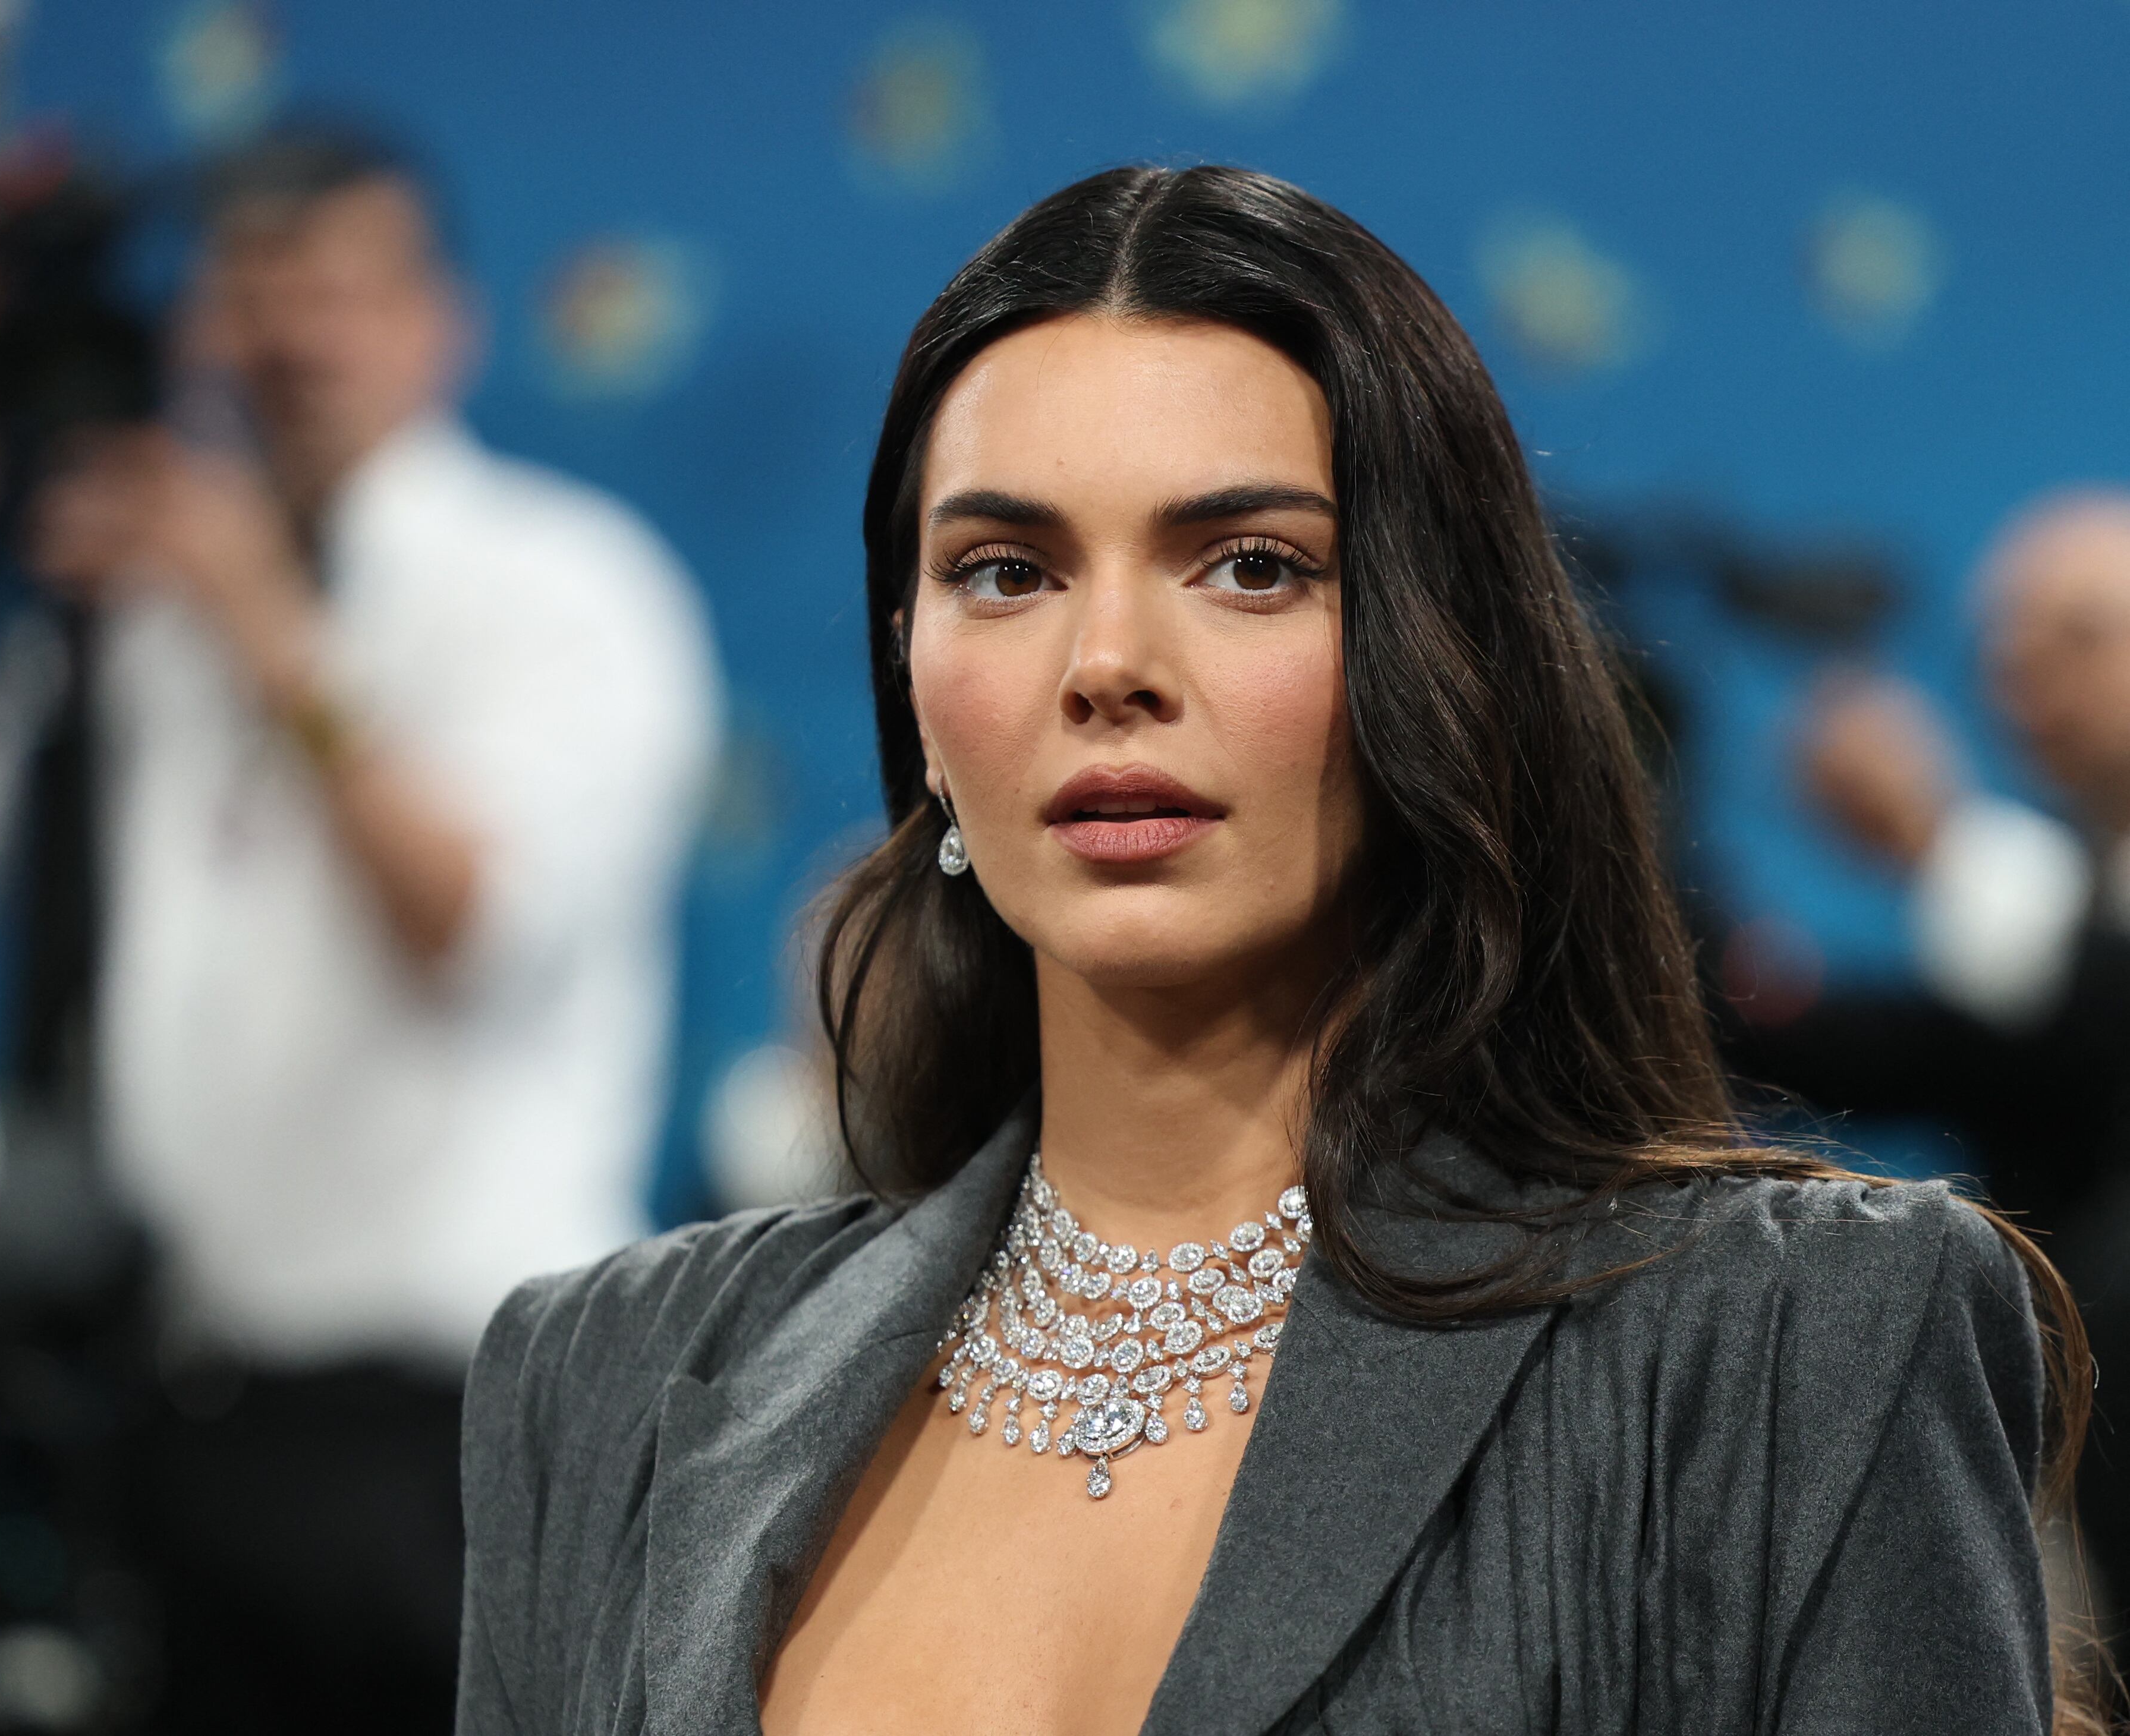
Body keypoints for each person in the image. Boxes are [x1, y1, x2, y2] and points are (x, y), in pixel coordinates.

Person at [454, 166, 2093, 1735]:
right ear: (913, 677)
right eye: (1003, 571)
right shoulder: (602, 1383)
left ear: (1431, 656)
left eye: (1250, 566)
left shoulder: (1798, 1347)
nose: (1106, 664)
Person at [0, 125, 720, 1731]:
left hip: (465, 1430)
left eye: (334, 291)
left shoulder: (561, 585)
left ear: (439, 326)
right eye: (249, 293)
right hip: (173, 1425)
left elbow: (464, 924)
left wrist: (265, 627)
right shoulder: (130, 619)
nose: (288, 341)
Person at [1724, 490, 2130, 1607]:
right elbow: (1916, 1052)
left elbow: (2097, 1010)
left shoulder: (2046, 918)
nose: (2023, 678)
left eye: (2077, 635)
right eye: (2001, 652)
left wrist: (1935, 837)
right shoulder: (2056, 902)